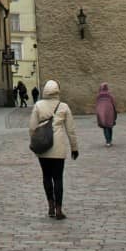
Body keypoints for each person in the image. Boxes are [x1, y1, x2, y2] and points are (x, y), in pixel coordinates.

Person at [29, 79, 79, 220]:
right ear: (58, 91)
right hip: (58, 148)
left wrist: (36, 142)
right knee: (58, 178)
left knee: (46, 176)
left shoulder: (38, 105)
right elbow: (71, 130)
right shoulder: (63, 107)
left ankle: (50, 204)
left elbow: (32, 127)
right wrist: (74, 148)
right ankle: (58, 209)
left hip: (44, 147)